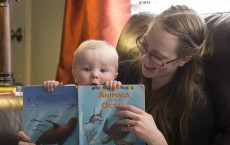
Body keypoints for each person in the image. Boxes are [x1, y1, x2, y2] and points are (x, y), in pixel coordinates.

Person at [114, 5, 213, 145]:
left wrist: (156, 139)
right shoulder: (122, 72)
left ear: (184, 59)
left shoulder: (197, 110)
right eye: (145, 44)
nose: (145, 59)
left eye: (157, 56)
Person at [18, 39, 122, 145]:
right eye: (86, 69)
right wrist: (52, 88)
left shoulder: (114, 93)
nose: (95, 74)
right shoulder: (68, 92)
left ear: (114, 76)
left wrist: (117, 88)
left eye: (103, 70)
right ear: (75, 75)